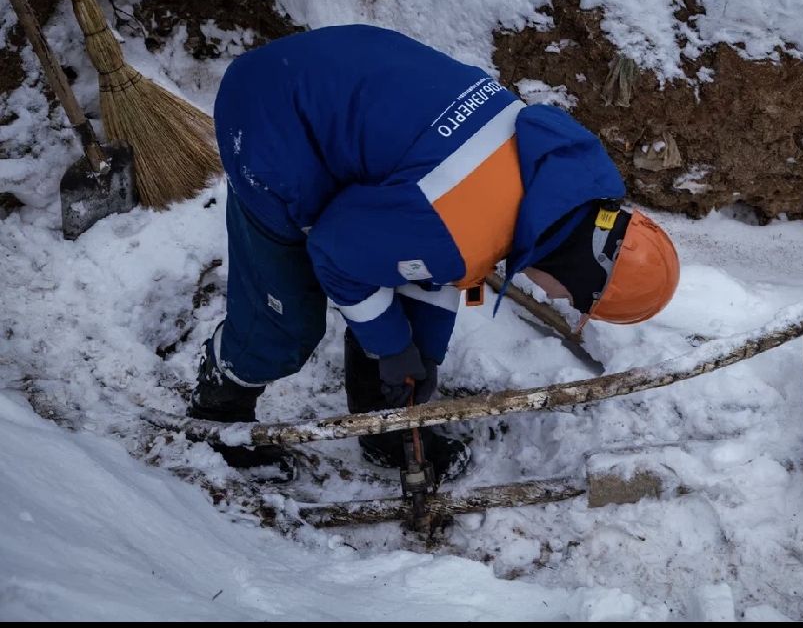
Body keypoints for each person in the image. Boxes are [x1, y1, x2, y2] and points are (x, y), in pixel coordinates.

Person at [189, 25, 680, 483]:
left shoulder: (553, 172)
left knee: (394, 292)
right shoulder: (464, 226)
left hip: (333, 80)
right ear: (577, 271)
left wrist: (420, 352)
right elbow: (338, 255)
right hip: (272, 118)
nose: (559, 301)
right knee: (286, 320)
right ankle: (218, 412)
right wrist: (390, 345)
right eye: (574, 300)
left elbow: (433, 248)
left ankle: (383, 429)